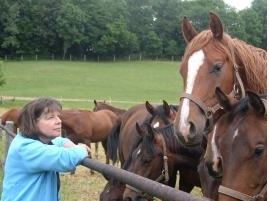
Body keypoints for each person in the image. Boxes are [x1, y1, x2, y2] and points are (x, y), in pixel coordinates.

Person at [1, 97, 90, 201]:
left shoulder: (35, 139)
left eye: (58, 116)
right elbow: (66, 159)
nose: (59, 121)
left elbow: (59, 141)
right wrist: (81, 149)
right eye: (50, 117)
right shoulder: (27, 148)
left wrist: (71, 145)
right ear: (33, 123)